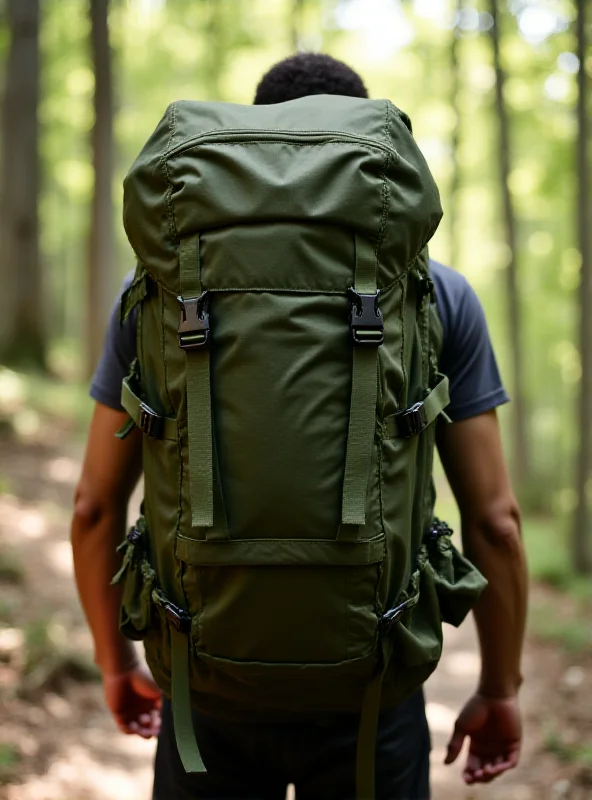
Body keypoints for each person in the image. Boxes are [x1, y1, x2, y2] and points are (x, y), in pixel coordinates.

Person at [71, 53, 528, 800]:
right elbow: (498, 521)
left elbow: (93, 505)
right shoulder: (437, 294)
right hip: (371, 688)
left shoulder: (156, 292)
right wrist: (501, 689)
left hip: (204, 680)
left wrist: (115, 666)